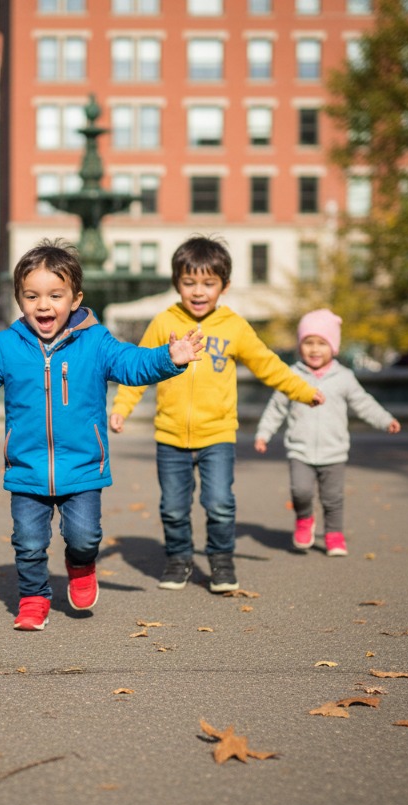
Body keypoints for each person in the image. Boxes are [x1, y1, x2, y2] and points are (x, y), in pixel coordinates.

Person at [0, 240, 205, 631]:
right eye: (32, 296)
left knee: (84, 536)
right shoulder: (8, 346)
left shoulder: (95, 341)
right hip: (27, 466)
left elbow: (131, 363)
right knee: (28, 542)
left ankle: (81, 564)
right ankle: (33, 597)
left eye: (55, 296)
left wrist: (167, 358)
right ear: (19, 300)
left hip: (83, 466)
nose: (44, 305)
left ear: (75, 299)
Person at [110, 235, 323, 593]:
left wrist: (302, 391)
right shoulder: (164, 322)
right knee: (173, 507)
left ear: (224, 286)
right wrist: (121, 408)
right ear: (176, 283)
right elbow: (141, 367)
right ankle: (179, 559)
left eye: (208, 283)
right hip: (170, 435)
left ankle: (222, 561)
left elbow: (268, 365)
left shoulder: (234, 326)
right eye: (189, 282)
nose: (198, 291)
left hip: (218, 435)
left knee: (220, 503)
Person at [253, 309, 401, 556]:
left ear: (333, 347)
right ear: (300, 346)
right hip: (300, 450)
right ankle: (304, 519)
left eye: (322, 343)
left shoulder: (344, 377)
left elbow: (363, 403)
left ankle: (334, 534)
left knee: (333, 498)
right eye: (308, 342)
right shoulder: (291, 376)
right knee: (300, 491)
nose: (314, 349)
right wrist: (263, 434)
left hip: (334, 451)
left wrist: (385, 420)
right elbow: (276, 408)